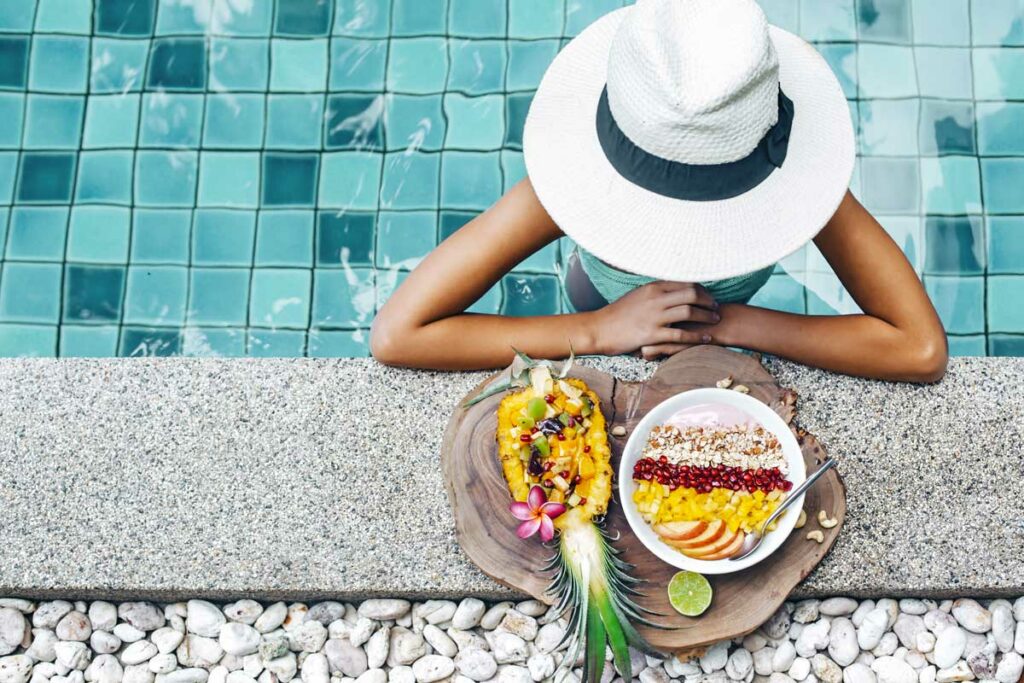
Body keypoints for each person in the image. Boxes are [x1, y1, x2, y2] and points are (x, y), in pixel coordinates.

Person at [371, 0, 947, 383]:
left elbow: (921, 350)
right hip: (602, 302)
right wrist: (597, 330)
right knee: (587, 294)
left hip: (720, 315)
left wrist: (728, 324)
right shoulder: (560, 193)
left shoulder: (788, 162)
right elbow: (398, 334)